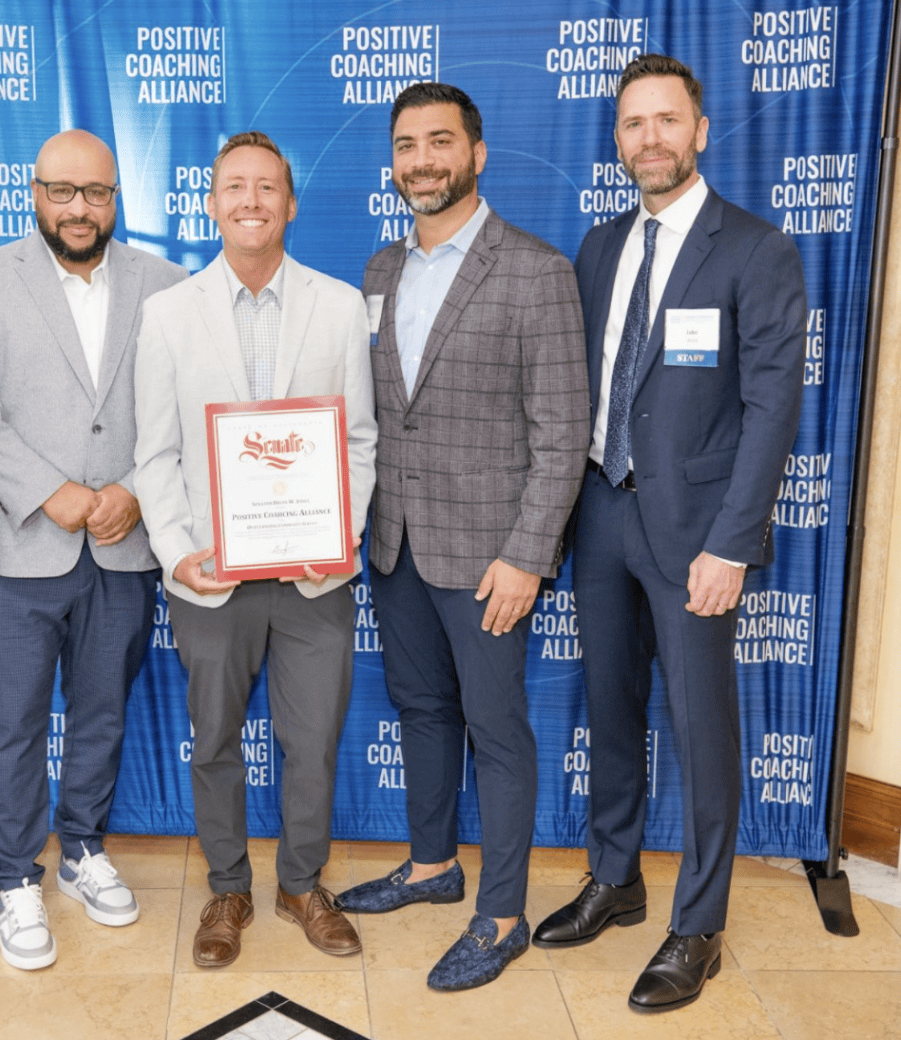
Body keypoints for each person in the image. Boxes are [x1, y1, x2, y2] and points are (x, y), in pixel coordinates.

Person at [532, 54, 806, 1013]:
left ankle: (698, 925)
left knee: (699, 727)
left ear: (698, 129)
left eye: (666, 121)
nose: (649, 138)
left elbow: (772, 410)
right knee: (609, 708)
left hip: (696, 533)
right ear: (617, 141)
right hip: (600, 514)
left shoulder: (755, 250)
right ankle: (616, 879)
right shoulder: (601, 246)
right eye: (632, 124)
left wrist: (731, 545)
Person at [335, 82, 590, 992]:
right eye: (407, 145)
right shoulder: (378, 271)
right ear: (393, 162)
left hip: (490, 557)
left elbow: (564, 433)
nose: (422, 161)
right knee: (424, 712)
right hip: (396, 545)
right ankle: (434, 866)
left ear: (477, 154)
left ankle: (503, 912)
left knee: (498, 730)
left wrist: (527, 556)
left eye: (440, 142)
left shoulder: (535, 270)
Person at [0, 129, 186, 971]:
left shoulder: (166, 284)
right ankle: (14, 879)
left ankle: (80, 850)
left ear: (118, 198)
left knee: (102, 713)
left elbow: (181, 408)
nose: (81, 208)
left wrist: (135, 494)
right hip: (16, 547)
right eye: (63, 191)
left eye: (98, 193)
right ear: (33, 193)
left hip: (123, 547)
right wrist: (56, 493)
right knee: (10, 725)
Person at [133, 131, 377, 968]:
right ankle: (229, 887)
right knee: (215, 741)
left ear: (289, 203)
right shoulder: (166, 315)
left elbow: (361, 443)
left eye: (266, 187)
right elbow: (154, 452)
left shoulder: (340, 306)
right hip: (211, 578)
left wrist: (335, 538)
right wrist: (175, 552)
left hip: (315, 578)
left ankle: (303, 883)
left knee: (312, 742)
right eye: (233, 186)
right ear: (211, 202)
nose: (250, 200)